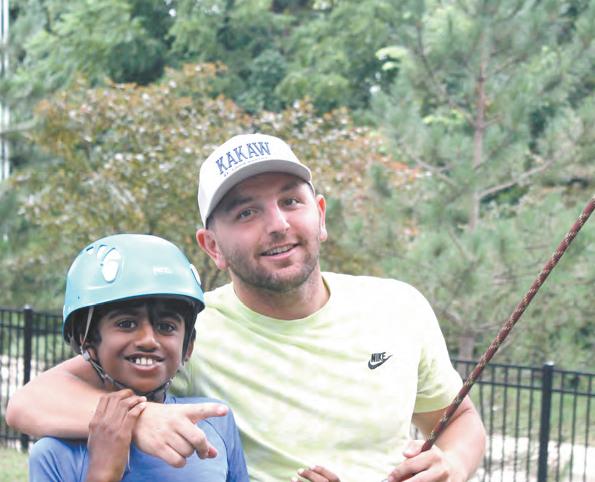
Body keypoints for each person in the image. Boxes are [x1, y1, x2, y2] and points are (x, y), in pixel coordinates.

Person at [7, 134, 486, 482]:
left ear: (320, 215)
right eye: (246, 212)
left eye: (290, 201)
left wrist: (450, 464)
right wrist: (141, 417)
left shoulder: (399, 307)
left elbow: (460, 422)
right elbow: (29, 403)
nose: (277, 224)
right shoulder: (185, 332)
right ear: (212, 246)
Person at [27, 234, 248, 482]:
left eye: (166, 326)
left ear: (188, 346)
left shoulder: (215, 423)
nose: (148, 340)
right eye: (126, 323)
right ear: (86, 340)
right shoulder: (55, 455)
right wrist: (103, 473)